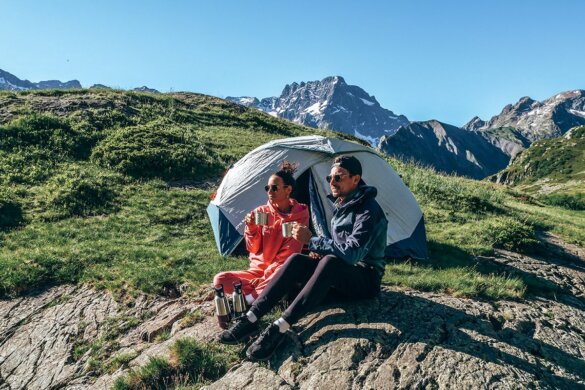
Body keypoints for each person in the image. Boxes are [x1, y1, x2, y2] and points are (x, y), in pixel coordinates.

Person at [218, 155, 388, 361]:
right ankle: (251, 317)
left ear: (355, 179)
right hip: (342, 271)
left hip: (366, 279)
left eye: (339, 178)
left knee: (329, 262)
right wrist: (319, 248)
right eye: (330, 178)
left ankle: (279, 328)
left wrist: (314, 241)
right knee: (297, 260)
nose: (332, 183)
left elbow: (352, 254)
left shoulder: (369, 211)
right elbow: (339, 244)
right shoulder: (344, 204)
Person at [213, 161, 309, 312]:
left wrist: (265, 277)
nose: (269, 192)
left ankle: (248, 300)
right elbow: (253, 248)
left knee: (281, 273)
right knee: (220, 280)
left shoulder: (299, 216)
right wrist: (250, 227)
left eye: (274, 188)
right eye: (267, 188)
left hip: (279, 271)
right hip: (257, 273)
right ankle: (266, 293)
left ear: (288, 189)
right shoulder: (261, 212)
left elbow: (287, 257)